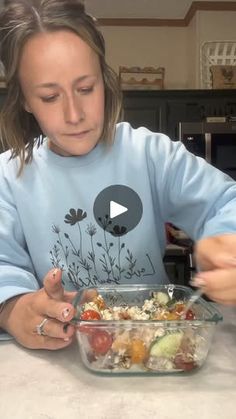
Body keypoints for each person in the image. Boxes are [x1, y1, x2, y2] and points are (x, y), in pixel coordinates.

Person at [0, 0, 236, 351]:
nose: (74, 114)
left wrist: (224, 239)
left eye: (85, 88)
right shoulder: (8, 177)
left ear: (105, 82)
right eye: (50, 96)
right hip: (65, 363)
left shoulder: (150, 154)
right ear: (25, 101)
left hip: (158, 349)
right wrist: (13, 309)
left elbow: (225, 202)